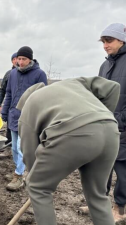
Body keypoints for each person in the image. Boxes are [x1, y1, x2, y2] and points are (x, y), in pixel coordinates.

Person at [17, 77, 120, 225]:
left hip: (74, 134)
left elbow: (28, 153)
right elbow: (113, 87)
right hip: (111, 131)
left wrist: (40, 180)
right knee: (97, 195)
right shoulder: (71, 83)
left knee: (37, 186)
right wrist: (99, 121)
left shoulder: (28, 106)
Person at [79, 23, 126, 222]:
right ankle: (99, 203)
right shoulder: (105, 65)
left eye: (109, 41)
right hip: (104, 126)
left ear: (121, 40)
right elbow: (99, 94)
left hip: (123, 128)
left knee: (122, 170)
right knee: (101, 167)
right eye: (103, 42)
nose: (105, 46)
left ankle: (120, 209)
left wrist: (120, 120)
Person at [1, 46, 47, 191]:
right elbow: (8, 93)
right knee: (14, 147)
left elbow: (43, 98)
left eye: (24, 59)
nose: (20, 62)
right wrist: (4, 111)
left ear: (30, 59)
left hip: (29, 118)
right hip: (14, 116)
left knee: (22, 148)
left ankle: (19, 175)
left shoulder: (39, 74)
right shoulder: (13, 74)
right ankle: (17, 169)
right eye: (19, 59)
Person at [0, 52, 17, 145]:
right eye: (14, 59)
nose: (17, 60)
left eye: (19, 58)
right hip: (10, 103)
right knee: (9, 124)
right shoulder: (9, 74)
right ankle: (9, 145)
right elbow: (2, 89)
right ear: (12, 61)